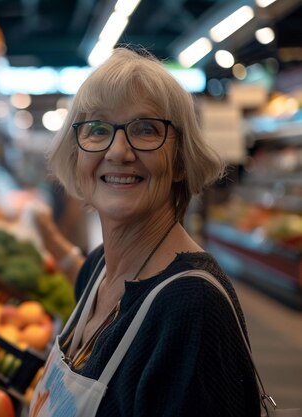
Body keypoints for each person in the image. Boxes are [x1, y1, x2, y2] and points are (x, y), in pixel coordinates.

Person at [29, 47, 261, 417]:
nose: (118, 151)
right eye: (98, 129)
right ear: (77, 155)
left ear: (181, 161)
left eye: (146, 129)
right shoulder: (98, 270)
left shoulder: (191, 311)